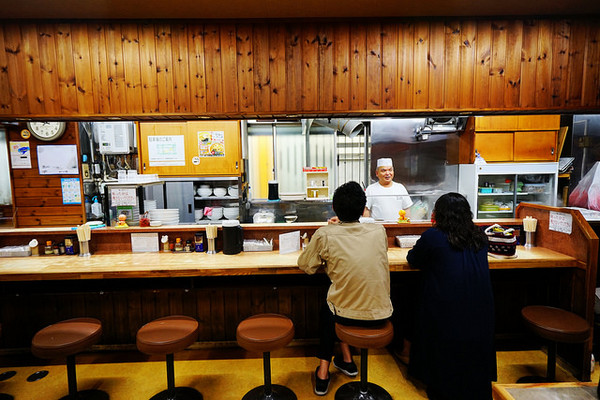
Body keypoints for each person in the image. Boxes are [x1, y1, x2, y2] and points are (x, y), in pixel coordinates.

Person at [297, 181, 393, 396]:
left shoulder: (325, 234)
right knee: (343, 297)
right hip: (382, 314)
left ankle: (322, 373)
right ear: (363, 208)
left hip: (345, 316)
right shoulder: (379, 231)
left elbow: (306, 266)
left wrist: (330, 233)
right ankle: (347, 360)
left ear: (334, 208)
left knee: (330, 308)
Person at [406, 192, 497, 400]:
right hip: (481, 311)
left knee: (416, 301)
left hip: (446, 312)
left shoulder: (433, 236)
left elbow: (413, 259)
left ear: (438, 214)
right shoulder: (480, 236)